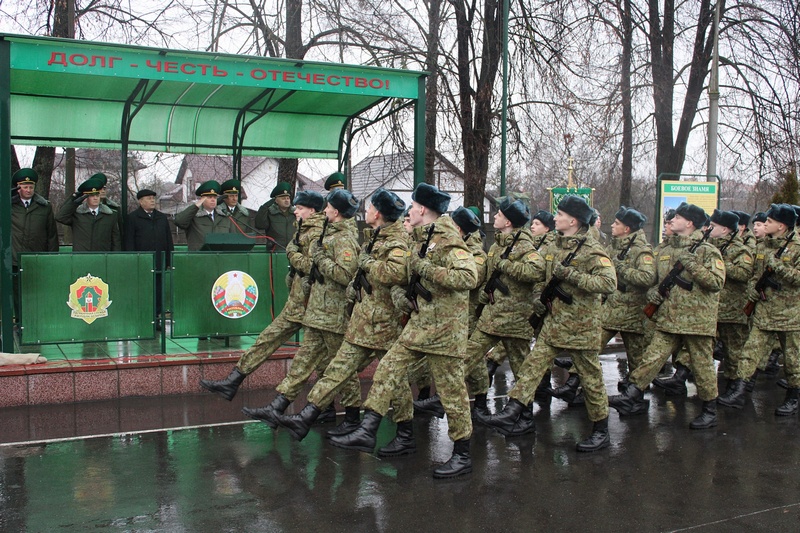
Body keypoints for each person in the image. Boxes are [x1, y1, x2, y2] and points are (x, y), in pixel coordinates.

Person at [328, 182, 479, 479]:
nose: (409, 211)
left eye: (412, 207)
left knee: (452, 394)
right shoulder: (425, 238)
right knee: (388, 368)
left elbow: (468, 276)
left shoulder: (447, 238)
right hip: (422, 324)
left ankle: (462, 454)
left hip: (446, 331)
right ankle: (368, 429)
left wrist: (425, 270)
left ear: (423, 209)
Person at [274, 189, 412, 447]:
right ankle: (306, 415)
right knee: (337, 369)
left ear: (379, 213)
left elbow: (394, 274)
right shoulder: (375, 238)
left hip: (384, 324)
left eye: (371, 207)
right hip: (363, 321)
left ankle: (405, 433)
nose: (367, 211)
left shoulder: (396, 242)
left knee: (395, 381)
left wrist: (368, 264)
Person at [483, 196, 616, 452]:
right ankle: (513, 410)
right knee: (532, 367)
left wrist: (571, 275)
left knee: (591, 379)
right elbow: (539, 279)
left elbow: (608, 284)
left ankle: (601, 430)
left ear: (573, 220)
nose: (554, 218)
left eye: (560, 214)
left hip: (582, 327)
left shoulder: (592, 249)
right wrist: (538, 299)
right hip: (553, 325)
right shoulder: (553, 248)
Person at [241, 188, 362, 427]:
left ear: (335, 212)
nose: (324, 210)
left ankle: (352, 418)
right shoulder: (329, 234)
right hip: (317, 312)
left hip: (334, 315)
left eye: (327, 207)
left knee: (342, 369)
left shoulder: (343, 238)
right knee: (303, 363)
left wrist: (320, 259)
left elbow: (346, 274)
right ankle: (277, 407)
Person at [199, 191, 326, 401]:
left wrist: (292, 254)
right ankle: (233, 380)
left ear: (311, 211)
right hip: (298, 302)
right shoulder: (303, 230)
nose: (295, 211)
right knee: (267, 339)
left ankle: (333, 409)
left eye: (300, 208)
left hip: (313, 304)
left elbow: (313, 266)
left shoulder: (317, 233)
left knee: (323, 359)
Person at [609, 202, 725, 429]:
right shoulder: (669, 250)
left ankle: (710, 410)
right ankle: (632, 394)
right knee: (651, 358)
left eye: (677, 218)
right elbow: (656, 281)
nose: (671, 221)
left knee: (702, 367)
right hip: (669, 319)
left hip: (696, 322)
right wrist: (655, 291)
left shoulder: (707, 250)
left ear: (689, 223)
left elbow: (716, 282)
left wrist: (693, 265)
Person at [554, 206, 656, 403]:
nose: (612, 226)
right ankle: (575, 384)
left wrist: (622, 269)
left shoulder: (642, 251)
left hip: (633, 311)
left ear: (627, 229)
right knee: (593, 346)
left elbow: (647, 278)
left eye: (617, 223)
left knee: (636, 357)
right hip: (613, 309)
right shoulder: (614, 247)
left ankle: (635, 399)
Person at [463, 198, 546, 423]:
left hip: (515, 320)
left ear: (508, 221)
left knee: (522, 371)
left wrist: (506, 265)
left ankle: (526, 418)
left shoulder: (524, 246)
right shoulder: (498, 244)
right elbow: (490, 274)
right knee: (468, 356)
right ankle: (445, 397)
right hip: (492, 316)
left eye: (498, 215)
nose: (495, 217)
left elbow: (536, 270)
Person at [656, 210, 753, 396]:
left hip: (732, 309)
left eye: (714, 226)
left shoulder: (740, 250)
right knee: (694, 348)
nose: (709, 228)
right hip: (709, 308)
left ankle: (734, 387)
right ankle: (681, 377)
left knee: (733, 351)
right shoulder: (705, 246)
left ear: (725, 230)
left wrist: (722, 264)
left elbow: (744, 273)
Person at [717, 204, 800, 414]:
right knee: (749, 353)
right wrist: (754, 290)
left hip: (790, 315)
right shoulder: (762, 246)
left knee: (793, 359)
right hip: (764, 312)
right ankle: (740, 391)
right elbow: (755, 273)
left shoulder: (797, 247)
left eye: (769, 222)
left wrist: (779, 266)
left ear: (781, 226)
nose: (764, 224)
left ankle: (794, 396)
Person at [413, 205, 487, 417]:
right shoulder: (444, 246)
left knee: (474, 361)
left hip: (469, 314)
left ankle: (480, 403)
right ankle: (436, 399)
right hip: (449, 314)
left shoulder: (473, 253)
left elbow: (472, 280)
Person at [486, 209, 555, 385]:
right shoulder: (526, 244)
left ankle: (541, 384)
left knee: (542, 344)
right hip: (528, 302)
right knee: (521, 344)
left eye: (538, 224)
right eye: (533, 223)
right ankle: (533, 389)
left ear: (547, 229)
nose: (533, 226)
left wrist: (541, 296)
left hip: (544, 301)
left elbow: (544, 274)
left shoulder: (548, 247)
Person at [10, 168, 59, 316]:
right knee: (18, 295)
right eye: (25, 187)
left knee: (37, 294)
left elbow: (51, 234)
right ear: (18, 188)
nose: (28, 190)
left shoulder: (44, 207)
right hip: (14, 259)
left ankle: (36, 322)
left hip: (36, 259)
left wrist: (51, 257)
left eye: (31, 187)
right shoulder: (9, 205)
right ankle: (19, 323)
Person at [124, 189, 174, 320]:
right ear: (141, 202)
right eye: (148, 198)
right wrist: (133, 260)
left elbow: (168, 240)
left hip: (159, 261)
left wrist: (169, 260)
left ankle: (157, 318)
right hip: (142, 262)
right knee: (143, 291)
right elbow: (129, 241)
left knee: (158, 291)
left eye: (153, 198)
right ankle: (143, 318)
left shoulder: (162, 217)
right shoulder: (133, 218)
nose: (152, 200)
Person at [56, 176, 122, 251]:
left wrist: (114, 257)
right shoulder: (78, 214)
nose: (95, 198)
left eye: (97, 195)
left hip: (102, 257)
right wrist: (74, 199)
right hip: (82, 258)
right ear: (86, 198)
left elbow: (115, 240)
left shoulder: (110, 215)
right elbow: (60, 217)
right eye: (92, 195)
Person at [174, 180, 232, 251]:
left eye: (215, 197)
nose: (213, 200)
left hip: (219, 258)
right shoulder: (194, 216)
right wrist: (197, 205)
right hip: (199, 258)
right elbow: (179, 221)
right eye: (209, 197)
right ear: (202, 199)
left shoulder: (224, 217)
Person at [255, 182, 295, 249]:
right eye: (283, 198)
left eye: (288, 198)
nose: (286, 200)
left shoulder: (295, 214)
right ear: (276, 201)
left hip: (294, 253)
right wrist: (264, 207)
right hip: (275, 252)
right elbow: (260, 225)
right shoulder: (270, 213)